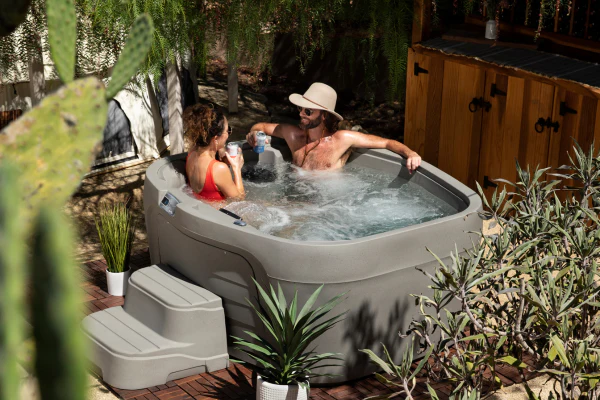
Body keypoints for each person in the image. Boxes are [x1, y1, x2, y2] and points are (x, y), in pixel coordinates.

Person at [246, 82, 422, 172]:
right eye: (300, 108)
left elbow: (386, 143)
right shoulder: (292, 134)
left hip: (328, 207)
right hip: (294, 199)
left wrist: (411, 153)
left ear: (324, 115)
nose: (301, 114)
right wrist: (253, 134)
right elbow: (260, 126)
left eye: (308, 111)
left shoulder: (341, 139)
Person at [184, 104, 245, 201]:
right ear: (215, 138)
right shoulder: (219, 169)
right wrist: (237, 168)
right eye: (228, 131)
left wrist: (220, 150)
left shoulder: (192, 151)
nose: (229, 134)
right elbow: (239, 200)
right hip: (219, 210)